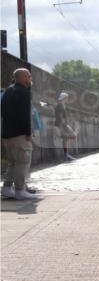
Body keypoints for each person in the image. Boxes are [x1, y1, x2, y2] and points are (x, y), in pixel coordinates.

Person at [1, 68, 36, 200]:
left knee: (13, 163)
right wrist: (28, 132)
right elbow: (25, 115)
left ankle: (7, 188)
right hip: (20, 134)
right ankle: (20, 190)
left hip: (7, 134)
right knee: (23, 162)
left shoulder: (8, 91)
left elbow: (2, 112)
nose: (30, 78)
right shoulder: (25, 93)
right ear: (22, 77)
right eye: (28, 76)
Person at [54, 92, 77, 160]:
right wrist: (65, 125)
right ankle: (66, 155)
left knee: (65, 139)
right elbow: (60, 116)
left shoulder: (62, 105)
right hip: (61, 124)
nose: (67, 99)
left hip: (61, 124)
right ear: (64, 98)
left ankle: (66, 155)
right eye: (66, 97)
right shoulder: (60, 105)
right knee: (73, 135)